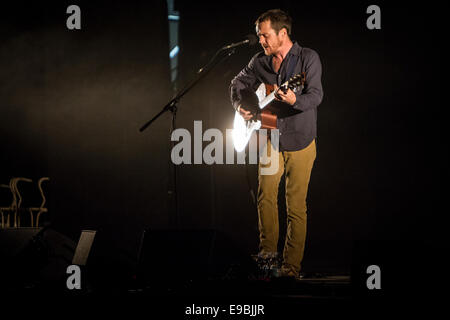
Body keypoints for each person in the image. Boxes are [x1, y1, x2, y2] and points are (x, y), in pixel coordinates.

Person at [229, 9, 323, 278]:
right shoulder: (260, 61)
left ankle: (291, 268)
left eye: (265, 35)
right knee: (266, 197)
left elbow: (316, 94)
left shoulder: (308, 58)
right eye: (259, 36)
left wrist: (296, 101)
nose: (261, 40)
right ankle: (267, 262)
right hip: (271, 135)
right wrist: (242, 105)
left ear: (283, 33)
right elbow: (238, 82)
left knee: (295, 205)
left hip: (301, 139)